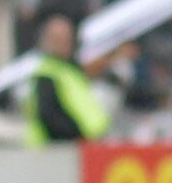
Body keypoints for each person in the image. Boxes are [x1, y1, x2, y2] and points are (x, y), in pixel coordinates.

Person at [23, 14, 115, 145]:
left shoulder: (68, 70)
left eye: (67, 39)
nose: (64, 44)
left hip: (86, 149)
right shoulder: (46, 73)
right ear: (47, 41)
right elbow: (50, 115)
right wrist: (76, 136)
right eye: (58, 39)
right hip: (61, 152)